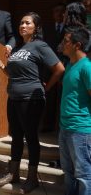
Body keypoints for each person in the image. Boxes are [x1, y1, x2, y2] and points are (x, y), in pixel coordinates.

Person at [0, 12, 65, 194]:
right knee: (16, 137)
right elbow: (14, 73)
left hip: (31, 99)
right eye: (21, 23)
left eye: (27, 23)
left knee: (31, 138)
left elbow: (59, 68)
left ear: (36, 27)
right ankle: (13, 173)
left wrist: (46, 88)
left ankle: (32, 178)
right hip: (14, 99)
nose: (23, 26)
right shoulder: (19, 48)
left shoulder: (40, 46)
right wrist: (2, 66)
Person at [59, 26, 91, 195]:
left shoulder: (87, 67)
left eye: (66, 41)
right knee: (68, 171)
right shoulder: (70, 64)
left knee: (84, 174)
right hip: (65, 127)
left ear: (77, 45)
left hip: (81, 129)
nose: (62, 44)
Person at [41, 3, 66, 132]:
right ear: (53, 14)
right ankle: (47, 125)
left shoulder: (69, 29)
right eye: (56, 11)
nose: (59, 14)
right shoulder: (47, 28)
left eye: (62, 11)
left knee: (62, 96)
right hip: (49, 67)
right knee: (48, 95)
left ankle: (60, 126)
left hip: (65, 66)